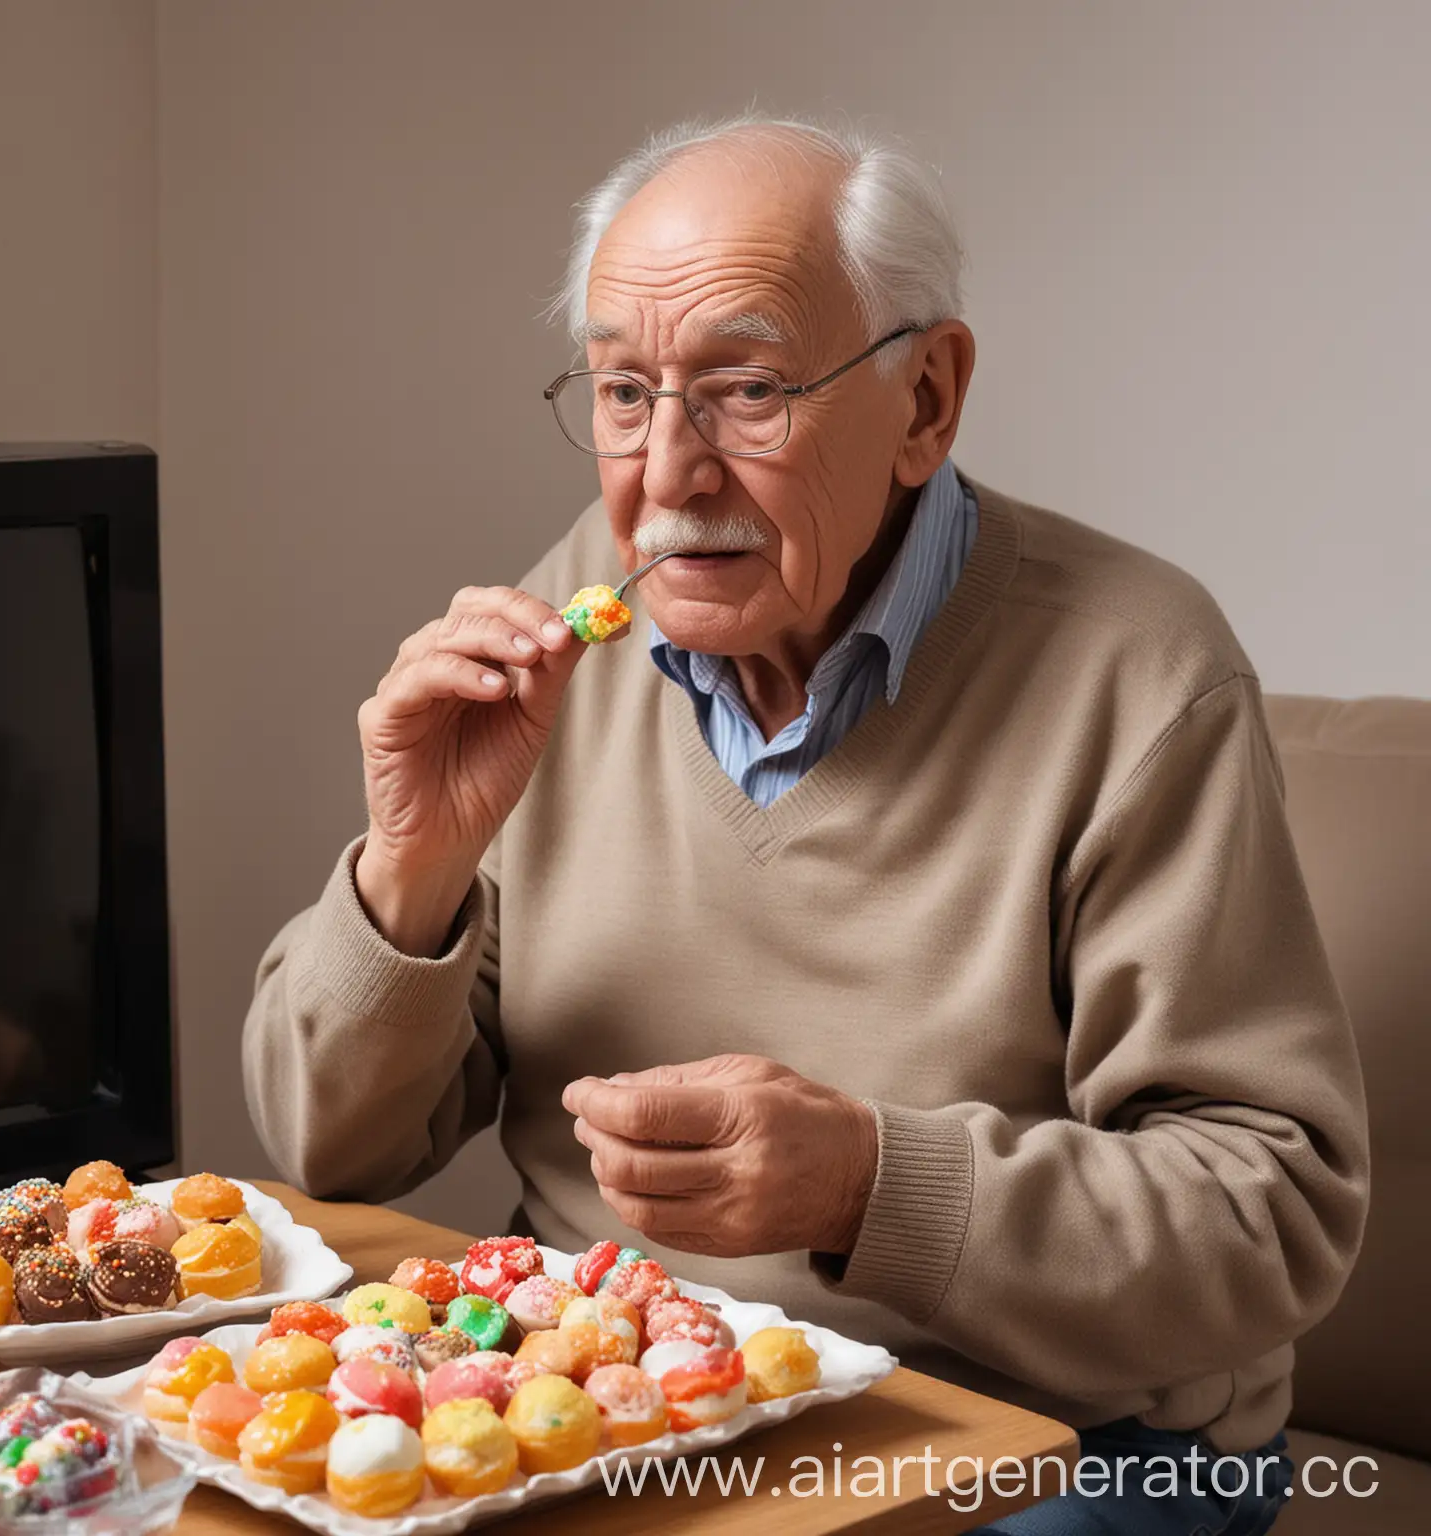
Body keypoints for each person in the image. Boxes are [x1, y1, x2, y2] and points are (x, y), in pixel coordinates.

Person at [243, 115, 1367, 1534]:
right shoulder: (574, 612)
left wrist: (870, 1185)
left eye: (748, 389)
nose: (669, 475)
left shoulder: (1138, 674)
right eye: (625, 393)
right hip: (617, 1413)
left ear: (926, 403)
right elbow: (327, 1152)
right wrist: (411, 871)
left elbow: (1270, 1221)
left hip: (1041, 1440)